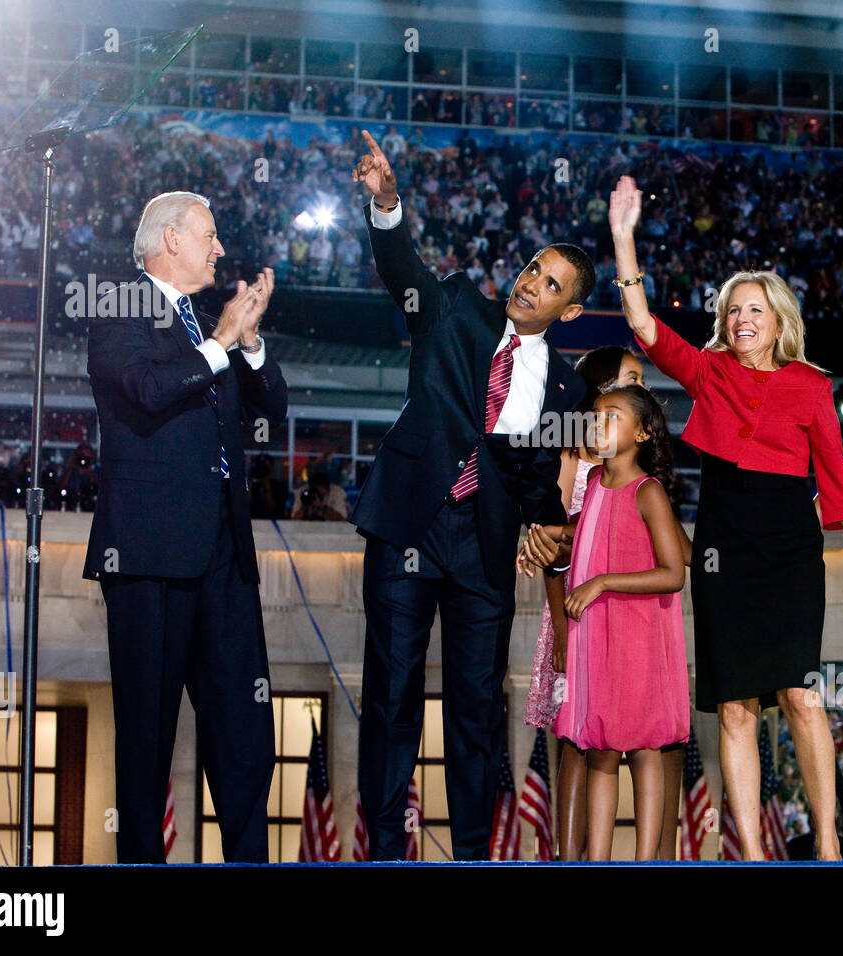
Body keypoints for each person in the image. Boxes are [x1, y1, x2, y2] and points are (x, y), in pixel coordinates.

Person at [605, 175, 843, 861]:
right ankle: (755, 856)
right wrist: (623, 238)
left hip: (790, 548)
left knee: (801, 695)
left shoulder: (812, 385)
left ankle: (824, 844)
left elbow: (835, 476)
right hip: (723, 549)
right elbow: (644, 329)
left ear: (779, 318)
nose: (742, 320)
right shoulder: (707, 370)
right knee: (735, 706)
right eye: (733, 311)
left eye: (754, 310)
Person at [350, 130, 589, 860]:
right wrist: (388, 205)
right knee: (391, 697)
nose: (530, 282)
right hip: (409, 526)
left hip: (485, 550)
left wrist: (553, 531)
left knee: (477, 709)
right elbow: (400, 268)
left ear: (569, 310)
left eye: (551, 283)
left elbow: (541, 483)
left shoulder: (569, 387)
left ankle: (477, 854)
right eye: (530, 268)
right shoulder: (454, 307)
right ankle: (388, 850)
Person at [82, 190, 287, 864]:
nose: (219, 248)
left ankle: (247, 861)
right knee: (146, 735)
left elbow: (272, 408)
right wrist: (224, 342)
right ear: (169, 239)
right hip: (146, 552)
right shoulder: (120, 305)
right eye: (209, 234)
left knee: (245, 730)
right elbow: (144, 391)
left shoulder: (211, 323)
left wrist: (249, 341)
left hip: (224, 555)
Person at [519, 345, 690, 860]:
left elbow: (674, 569)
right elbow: (581, 535)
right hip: (594, 631)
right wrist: (544, 535)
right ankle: (591, 859)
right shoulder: (590, 479)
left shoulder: (649, 491)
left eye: (612, 417)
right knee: (594, 744)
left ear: (641, 432)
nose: (598, 424)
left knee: (643, 744)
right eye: (596, 415)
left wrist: (601, 583)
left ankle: (647, 859)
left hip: (633, 628)